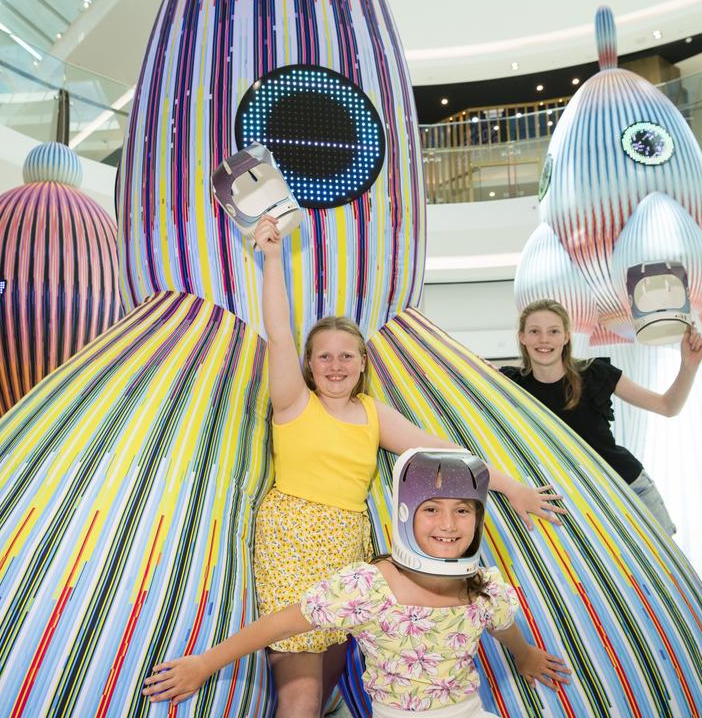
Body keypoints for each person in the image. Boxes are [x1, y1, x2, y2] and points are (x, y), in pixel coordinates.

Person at [204, 215, 564, 716]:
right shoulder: (292, 403)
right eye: (324, 356)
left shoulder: (373, 414)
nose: (335, 365)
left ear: (362, 363)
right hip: (292, 540)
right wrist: (270, 258)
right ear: (310, 365)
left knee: (331, 667)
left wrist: (512, 489)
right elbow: (280, 335)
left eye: (346, 356)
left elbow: (445, 453)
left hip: (348, 543)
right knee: (300, 694)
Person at [143, 450, 571, 715]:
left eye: (463, 510)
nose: (448, 523)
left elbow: (500, 625)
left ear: (477, 521)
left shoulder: (484, 587)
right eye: (432, 510)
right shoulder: (368, 587)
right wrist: (204, 664)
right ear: (406, 515)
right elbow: (279, 625)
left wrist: (525, 653)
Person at [502, 299, 702, 535]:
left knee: (664, 569)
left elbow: (668, 406)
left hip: (628, 488)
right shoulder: (510, 383)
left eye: (553, 331)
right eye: (535, 331)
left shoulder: (595, 373)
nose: (544, 339)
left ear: (566, 337)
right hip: (572, 502)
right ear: (522, 337)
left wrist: (688, 366)